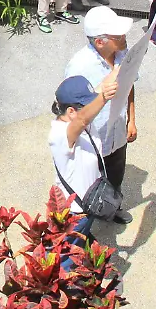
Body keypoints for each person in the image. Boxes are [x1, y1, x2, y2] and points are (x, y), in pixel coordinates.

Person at [63, 7, 136, 225]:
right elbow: (70, 112)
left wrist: (132, 119)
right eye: (117, 35)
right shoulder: (79, 67)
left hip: (117, 134)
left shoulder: (122, 54)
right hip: (93, 141)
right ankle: (86, 226)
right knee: (89, 187)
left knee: (116, 176)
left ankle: (113, 208)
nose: (124, 38)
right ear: (100, 42)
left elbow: (130, 86)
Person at [50, 73, 119, 239]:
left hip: (89, 201)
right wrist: (102, 98)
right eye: (86, 106)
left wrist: (124, 60)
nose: (91, 109)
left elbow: (103, 86)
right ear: (71, 111)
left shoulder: (75, 115)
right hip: (75, 211)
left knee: (84, 237)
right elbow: (82, 120)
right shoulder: (59, 134)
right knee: (68, 257)